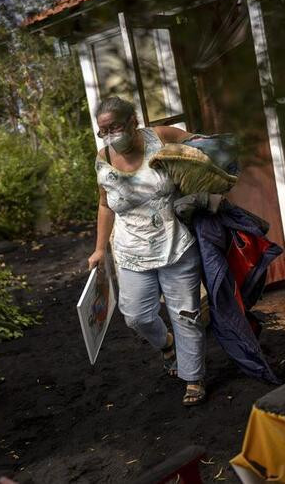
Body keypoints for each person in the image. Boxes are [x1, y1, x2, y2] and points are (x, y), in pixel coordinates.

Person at [87, 96, 207, 406]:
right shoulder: (102, 158)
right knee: (136, 316)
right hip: (130, 251)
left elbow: (201, 146)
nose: (111, 134)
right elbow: (104, 204)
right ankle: (167, 344)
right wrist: (100, 249)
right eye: (104, 130)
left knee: (186, 314)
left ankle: (193, 377)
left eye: (115, 127)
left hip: (175, 242)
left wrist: (209, 155)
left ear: (133, 122)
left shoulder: (161, 137)